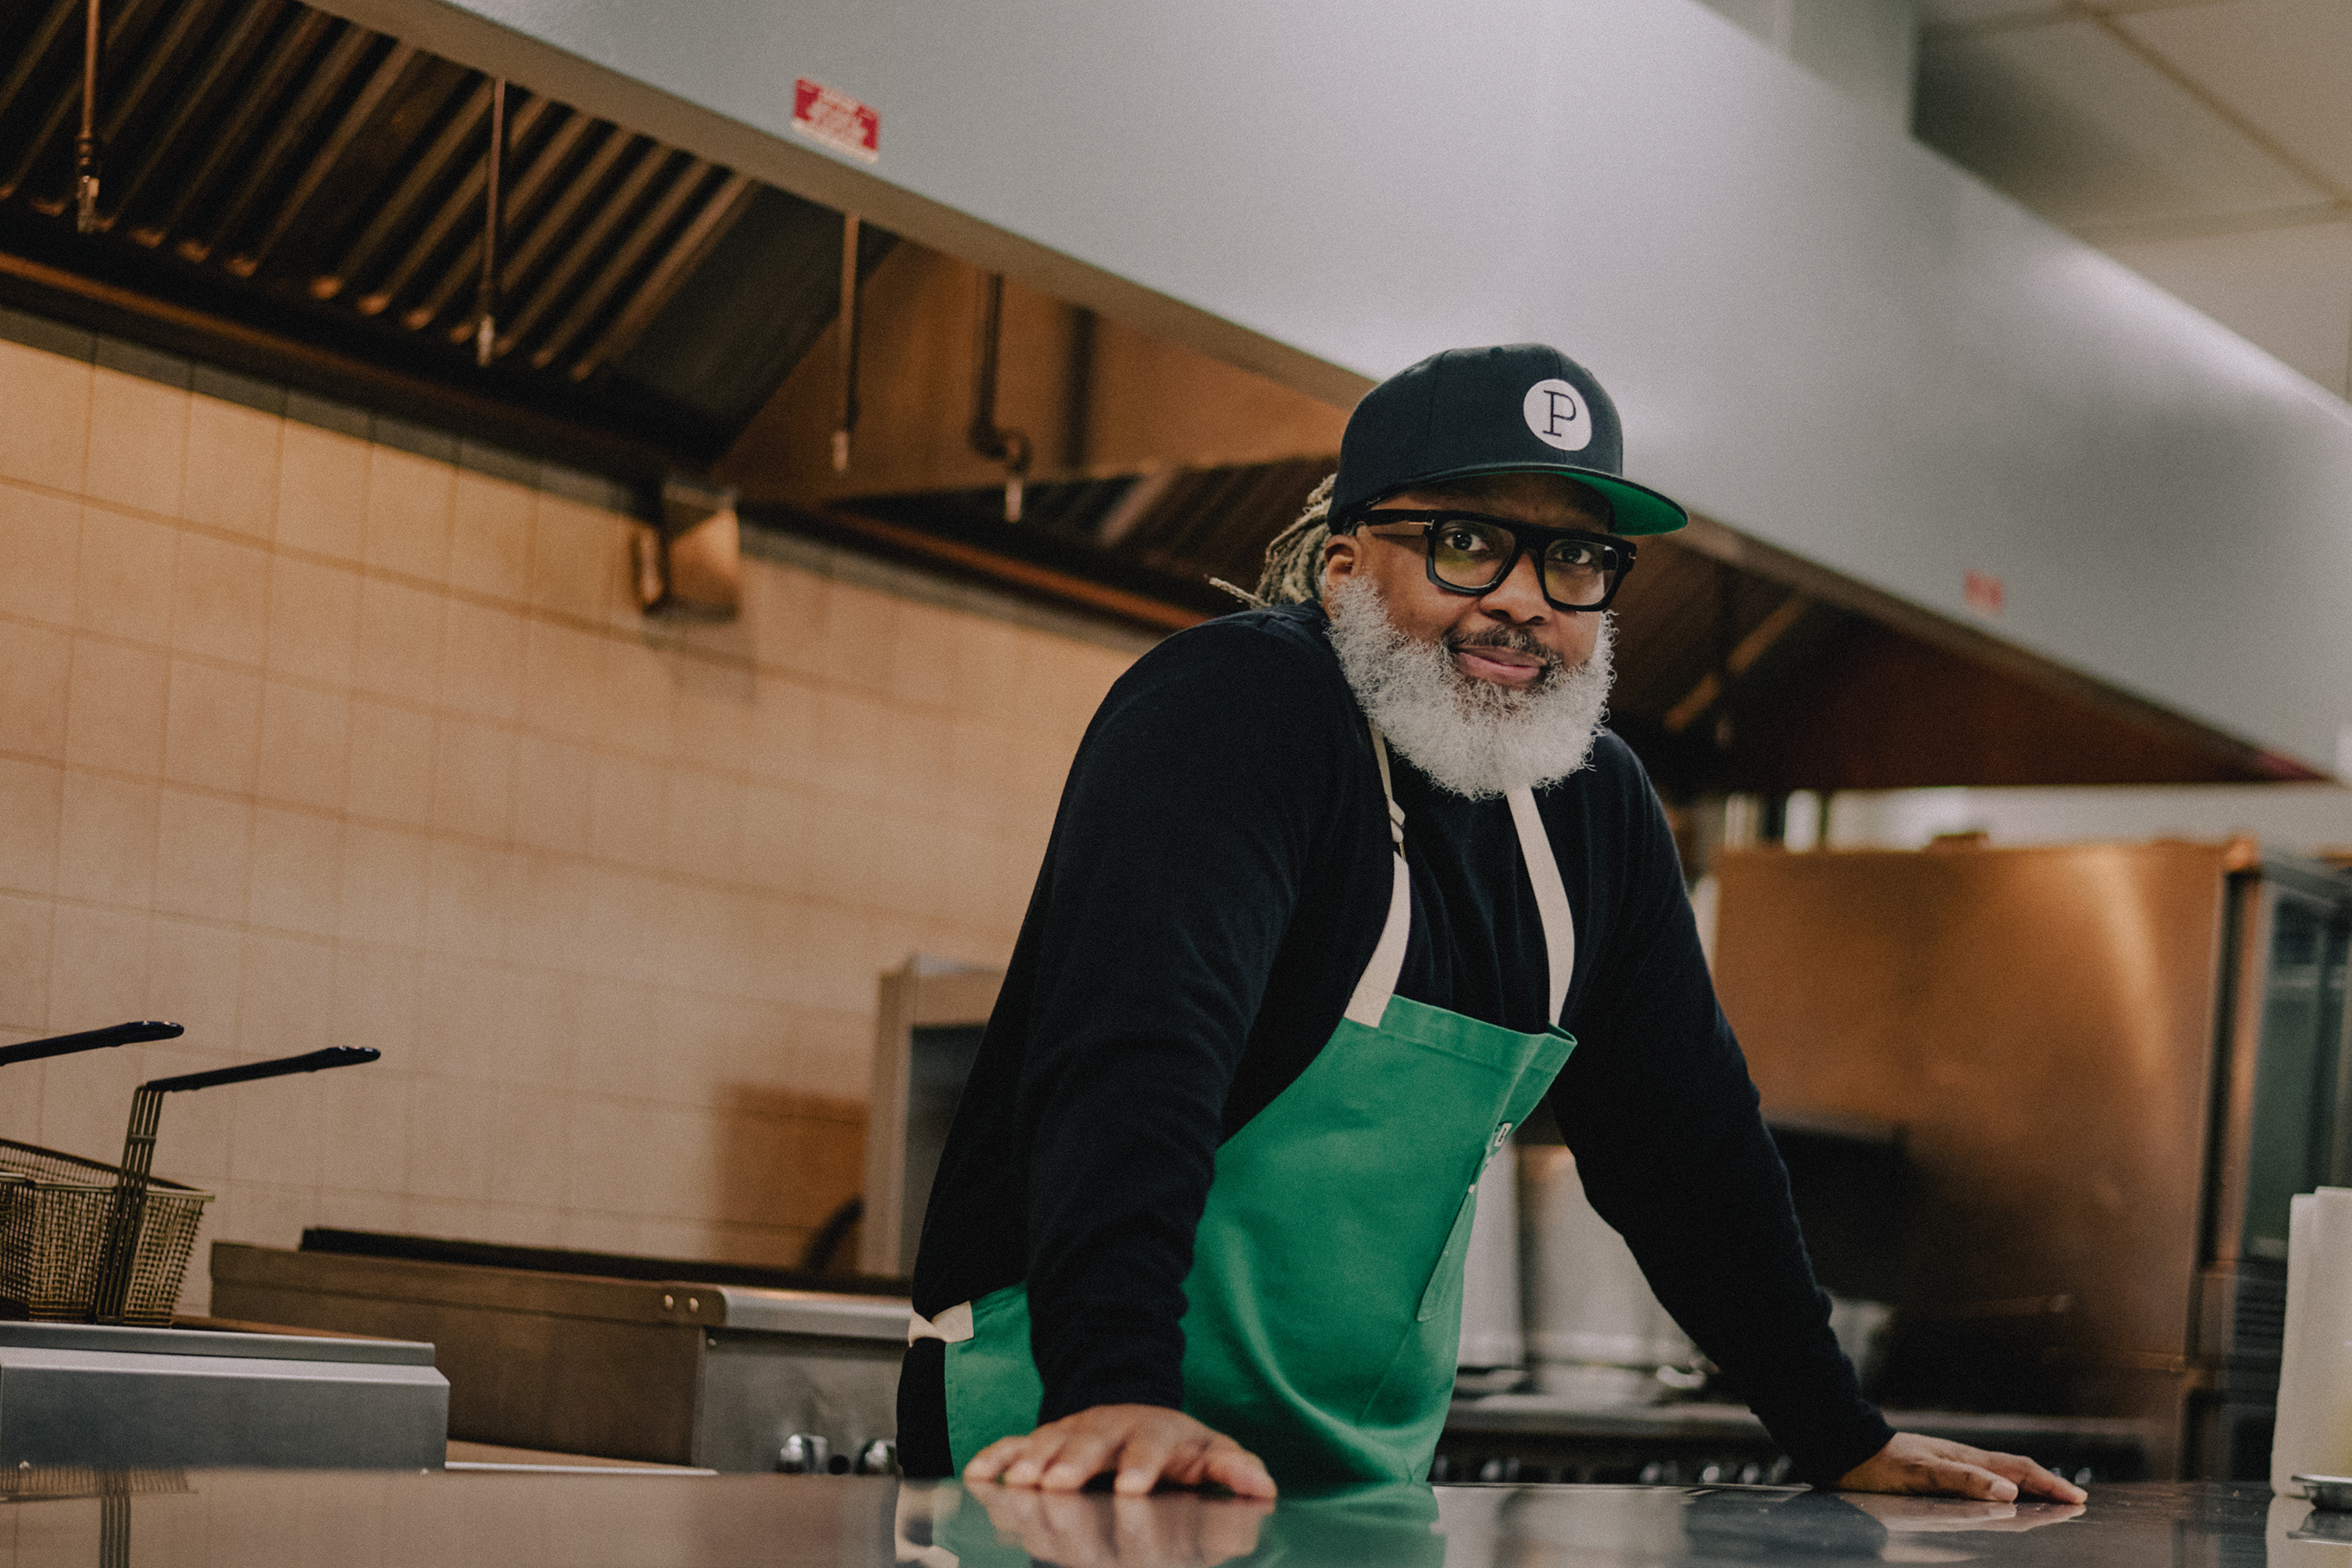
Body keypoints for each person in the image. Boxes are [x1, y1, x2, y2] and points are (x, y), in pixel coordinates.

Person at [896, 344, 2088, 1506]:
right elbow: (1134, 1055)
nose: (1524, 600)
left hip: (1351, 1478)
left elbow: (1690, 1153)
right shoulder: (1234, 710)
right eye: (1468, 545)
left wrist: (1837, 1431)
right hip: (1075, 1448)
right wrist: (1116, 1387)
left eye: (1574, 560)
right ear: (1345, 567)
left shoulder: (1597, 808)